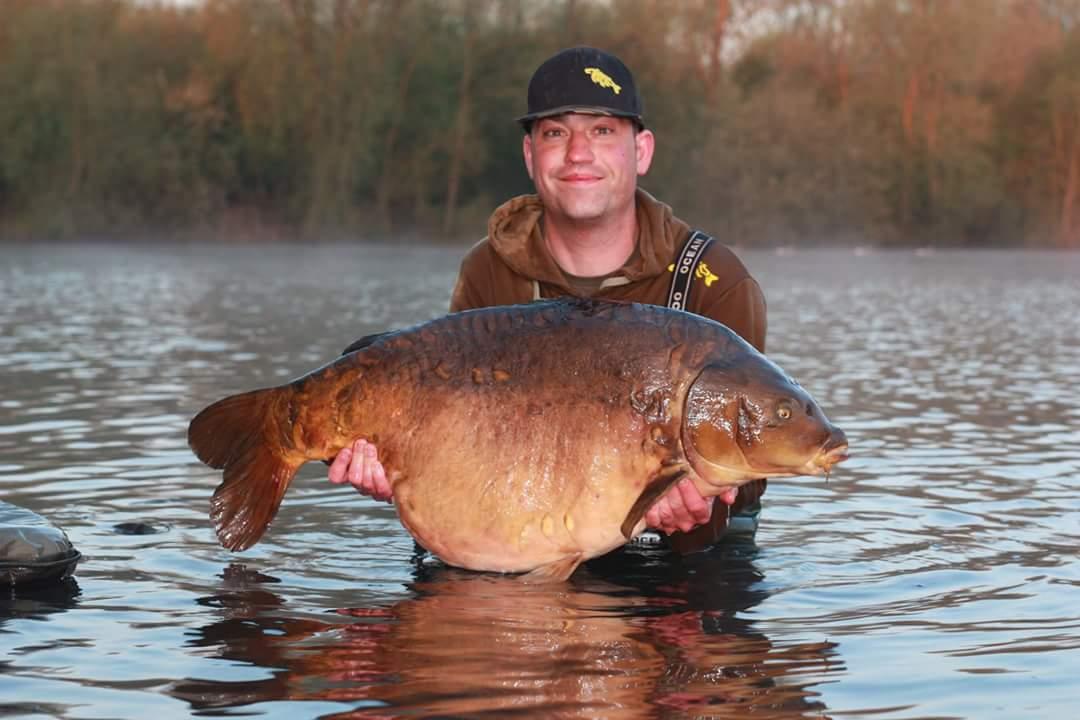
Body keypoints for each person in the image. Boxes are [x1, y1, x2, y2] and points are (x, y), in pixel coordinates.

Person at [329, 46, 768, 554]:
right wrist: (407, 468)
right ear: (530, 155)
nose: (578, 153)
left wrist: (700, 506)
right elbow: (465, 443)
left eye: (602, 131)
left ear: (641, 151)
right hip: (522, 532)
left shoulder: (715, 282)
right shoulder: (490, 269)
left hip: (685, 561)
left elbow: (753, 464)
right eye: (556, 133)